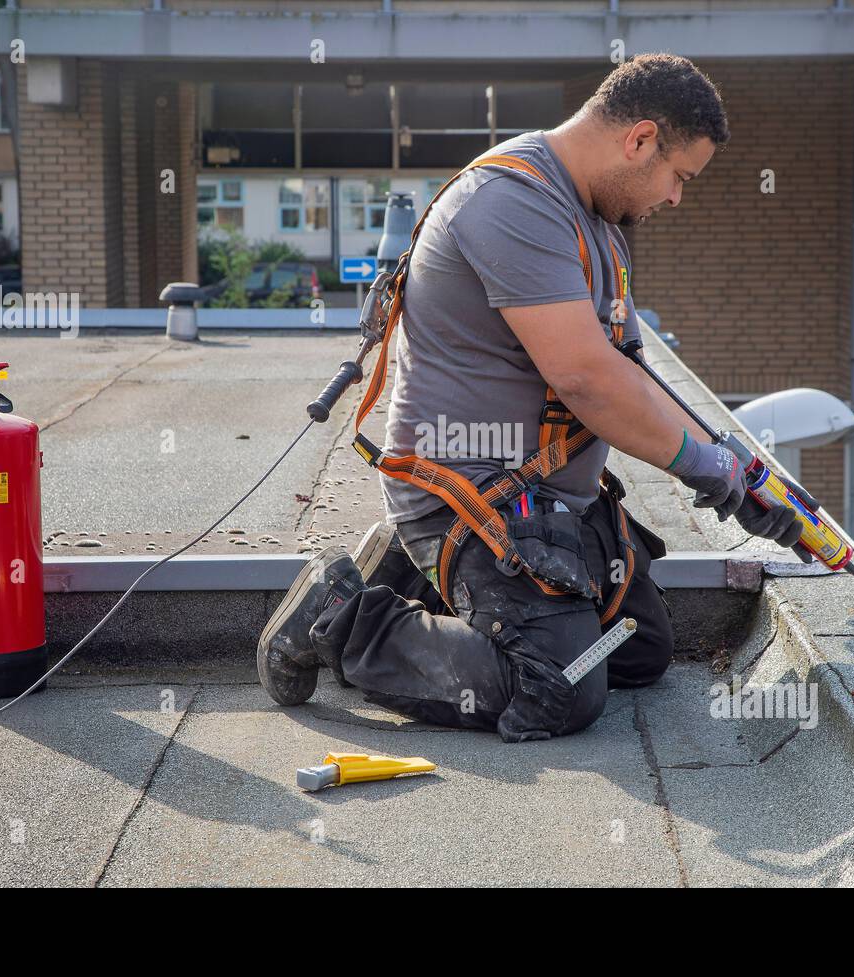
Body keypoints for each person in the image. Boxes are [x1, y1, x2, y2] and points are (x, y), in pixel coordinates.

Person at [258, 53, 816, 742]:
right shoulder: (513, 203)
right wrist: (714, 475)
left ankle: (408, 573)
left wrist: (742, 472)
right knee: (561, 686)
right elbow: (587, 378)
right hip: (465, 490)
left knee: (640, 650)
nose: (677, 198)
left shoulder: (601, 226)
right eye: (680, 177)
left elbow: (635, 376)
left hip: (542, 499)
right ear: (639, 139)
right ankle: (341, 612)